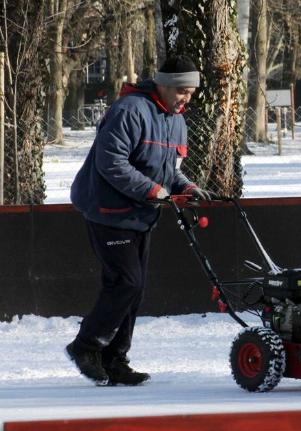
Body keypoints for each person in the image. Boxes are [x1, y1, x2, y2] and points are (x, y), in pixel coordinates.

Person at [66, 56, 213, 386]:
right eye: (181, 91)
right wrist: (155, 191)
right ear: (163, 84)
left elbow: (169, 170)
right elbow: (110, 163)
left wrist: (185, 188)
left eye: (190, 93)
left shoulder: (176, 120)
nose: (186, 99)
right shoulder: (130, 109)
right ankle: (85, 346)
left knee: (135, 288)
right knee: (126, 282)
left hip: (141, 213)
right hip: (108, 210)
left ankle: (115, 358)